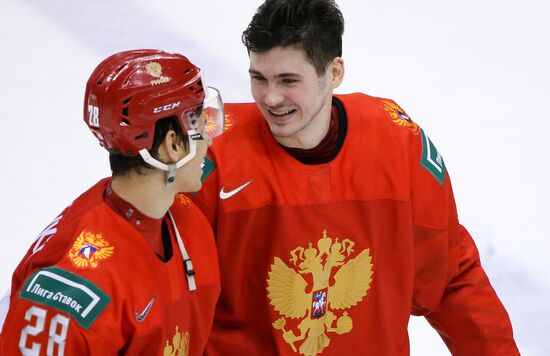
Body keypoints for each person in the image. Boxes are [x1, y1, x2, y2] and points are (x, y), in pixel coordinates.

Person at [192, 0, 520, 355]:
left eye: (288, 80)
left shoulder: (398, 143)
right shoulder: (209, 155)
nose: (270, 97)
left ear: (333, 73)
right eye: (259, 78)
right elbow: (167, 294)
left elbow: (451, 275)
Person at [0, 49, 225, 355]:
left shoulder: (185, 218)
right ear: (172, 145)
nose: (209, 140)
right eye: (199, 126)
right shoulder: (73, 293)